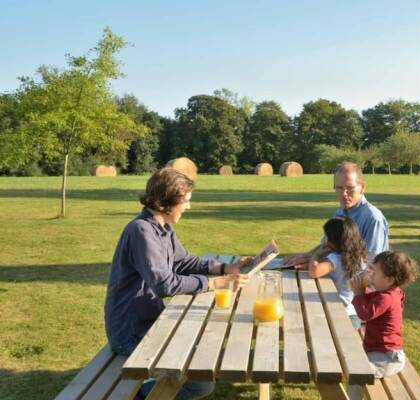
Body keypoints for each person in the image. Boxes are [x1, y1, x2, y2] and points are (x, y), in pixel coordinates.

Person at [104, 167, 250, 400]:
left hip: (151, 321)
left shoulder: (162, 229)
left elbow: (183, 262)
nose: (188, 207)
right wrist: (216, 284)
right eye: (186, 201)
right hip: (131, 332)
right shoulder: (141, 231)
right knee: (199, 384)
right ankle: (142, 395)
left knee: (204, 353)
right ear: (165, 202)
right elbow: (165, 284)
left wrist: (224, 268)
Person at [284, 161, 389, 266]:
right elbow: (327, 245)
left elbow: (371, 263)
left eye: (350, 188)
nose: (344, 194)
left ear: (362, 187)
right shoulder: (341, 211)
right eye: (339, 188)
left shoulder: (373, 218)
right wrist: (306, 256)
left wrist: (315, 266)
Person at [350, 251, 419, 378]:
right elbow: (370, 302)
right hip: (375, 350)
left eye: (374, 272)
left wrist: (358, 292)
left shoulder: (387, 297)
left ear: (389, 280)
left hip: (388, 357)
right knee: (355, 367)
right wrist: (363, 289)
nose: (370, 274)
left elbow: (365, 314)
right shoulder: (387, 292)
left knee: (358, 369)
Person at [306, 217, 368, 329]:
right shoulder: (359, 258)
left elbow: (314, 272)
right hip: (352, 311)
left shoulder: (336, 258)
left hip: (338, 312)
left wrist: (316, 255)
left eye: (327, 236)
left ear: (333, 240)